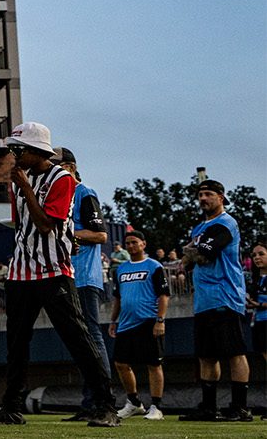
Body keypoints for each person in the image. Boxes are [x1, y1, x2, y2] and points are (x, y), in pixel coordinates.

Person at [0, 122, 117, 427]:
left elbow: (46, 225)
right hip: (21, 272)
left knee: (78, 338)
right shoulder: (20, 180)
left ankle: (106, 405)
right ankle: (11, 406)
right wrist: (22, 187)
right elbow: (21, 226)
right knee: (16, 343)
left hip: (53, 270)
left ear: (37, 150)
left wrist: (25, 188)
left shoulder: (62, 179)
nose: (14, 155)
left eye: (18, 149)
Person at [179, 178, 251, 422]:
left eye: (208, 194)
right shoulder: (199, 229)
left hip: (225, 296)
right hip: (204, 300)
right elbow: (186, 260)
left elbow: (204, 253)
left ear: (221, 197)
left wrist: (191, 252)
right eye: (200, 195)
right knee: (206, 355)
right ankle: (209, 408)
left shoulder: (226, 223)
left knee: (234, 352)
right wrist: (191, 253)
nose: (203, 199)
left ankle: (240, 407)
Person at [52, 147, 112, 422]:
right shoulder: (58, 195)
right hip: (67, 276)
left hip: (86, 277)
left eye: (56, 165)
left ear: (71, 167)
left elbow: (100, 235)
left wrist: (65, 232)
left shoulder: (83, 192)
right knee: (80, 340)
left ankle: (101, 401)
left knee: (91, 337)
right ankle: (90, 402)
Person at [108, 230, 169, 421]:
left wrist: (160, 320)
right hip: (126, 323)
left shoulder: (154, 266)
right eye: (128, 243)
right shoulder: (121, 269)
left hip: (149, 321)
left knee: (153, 363)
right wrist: (113, 320)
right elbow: (117, 298)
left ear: (143, 244)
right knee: (120, 363)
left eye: (134, 242)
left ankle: (156, 406)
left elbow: (163, 296)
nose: (131, 246)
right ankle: (134, 402)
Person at [248, 243, 267, 421]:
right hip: (258, 322)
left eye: (261, 254)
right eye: (254, 255)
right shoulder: (255, 279)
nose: (257, 257)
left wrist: (259, 305)